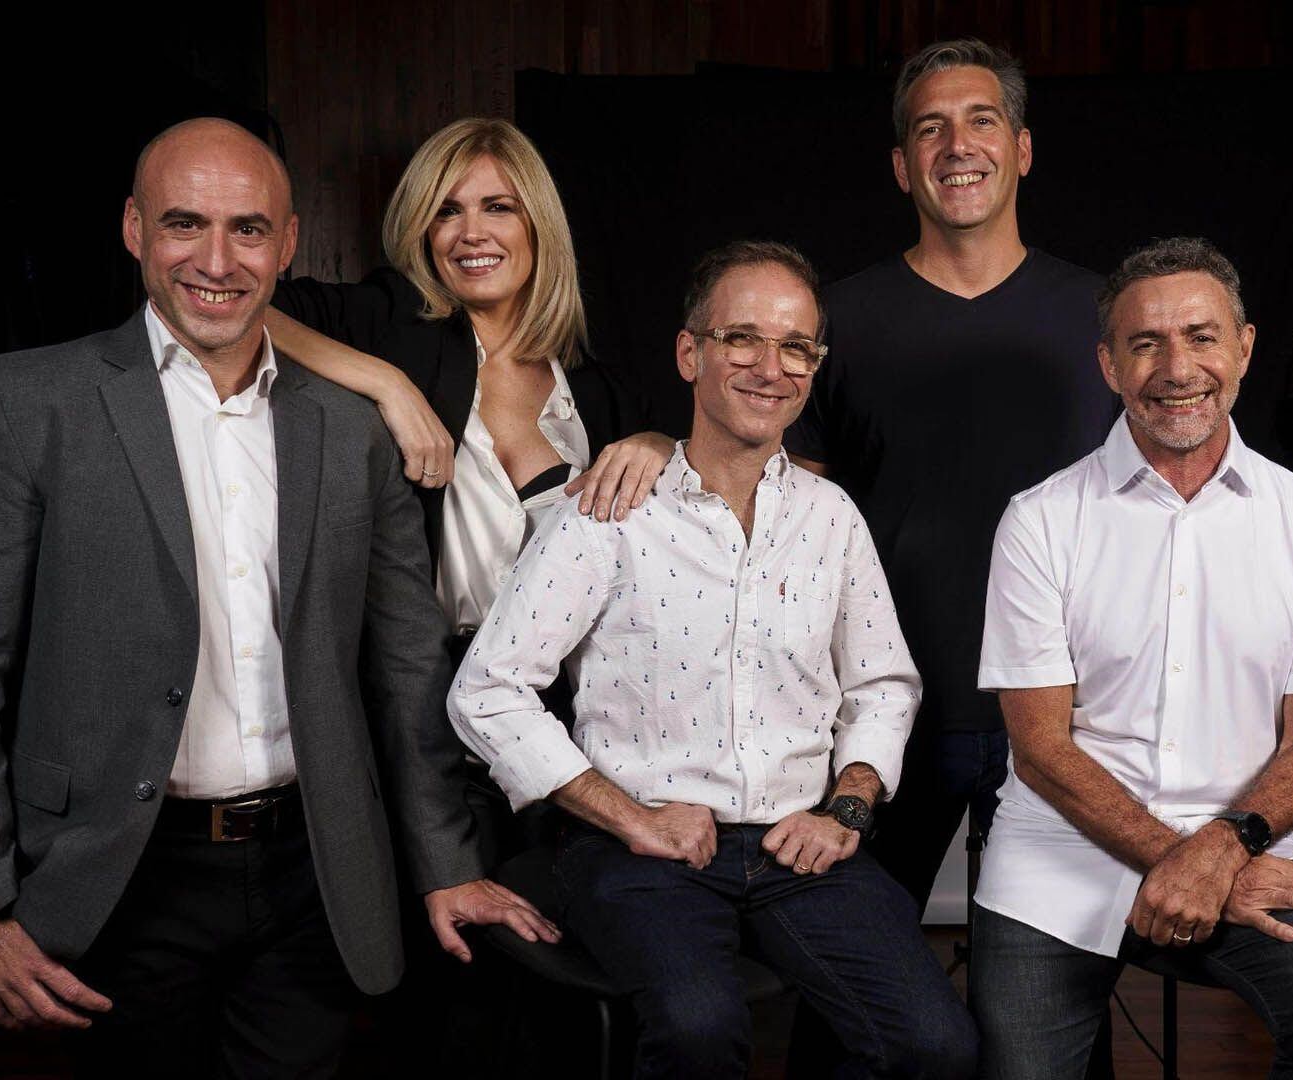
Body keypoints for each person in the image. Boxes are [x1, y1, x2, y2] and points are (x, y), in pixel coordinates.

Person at [0, 118, 548, 1077]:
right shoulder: (31, 404)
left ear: (287, 244)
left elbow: (407, 668)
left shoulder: (352, 430)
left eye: (247, 229)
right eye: (183, 224)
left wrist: (446, 862)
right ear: (133, 229)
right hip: (111, 881)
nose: (215, 260)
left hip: (313, 878)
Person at [449, 241, 979, 1080]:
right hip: (637, 846)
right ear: (690, 353)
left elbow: (883, 684)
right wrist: (629, 817)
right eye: (743, 339)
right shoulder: (607, 510)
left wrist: (846, 808)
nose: (772, 367)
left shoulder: (831, 517)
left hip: (795, 844)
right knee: (698, 1029)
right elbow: (488, 689)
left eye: (796, 346)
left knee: (936, 1043)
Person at [262, 119, 672, 1062]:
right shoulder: (393, 324)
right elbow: (244, 305)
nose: (471, 231)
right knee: (454, 974)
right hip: (432, 700)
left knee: (561, 964)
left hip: (570, 711)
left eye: (497, 206)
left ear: (538, 224)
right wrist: (386, 385)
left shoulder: (589, 381)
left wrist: (654, 445)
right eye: (447, 210)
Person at [970, 237, 1293, 1080]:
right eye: (1146, 344)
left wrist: (1224, 850)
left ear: (1244, 347)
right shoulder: (1040, 521)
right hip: (1058, 855)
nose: (1178, 369)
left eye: (1202, 337)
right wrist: (1188, 859)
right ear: (1109, 365)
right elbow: (1042, 749)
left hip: (1246, 837)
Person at [785, 39, 1119, 910]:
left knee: (1053, 978)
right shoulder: (837, 319)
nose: (957, 146)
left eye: (981, 121)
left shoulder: (1105, 317)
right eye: (931, 129)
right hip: (887, 708)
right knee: (853, 964)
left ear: (1022, 148)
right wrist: (649, 445)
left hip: (1066, 714)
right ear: (903, 166)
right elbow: (779, 507)